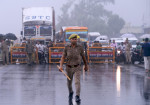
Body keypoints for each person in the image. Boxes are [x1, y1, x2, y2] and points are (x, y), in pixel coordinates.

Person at [59, 34, 88, 103]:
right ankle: (71, 92)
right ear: (70, 40)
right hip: (68, 67)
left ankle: (77, 96)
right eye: (73, 39)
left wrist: (86, 65)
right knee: (69, 83)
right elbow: (63, 57)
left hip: (77, 67)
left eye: (76, 39)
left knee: (77, 82)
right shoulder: (66, 47)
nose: (75, 40)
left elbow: (83, 57)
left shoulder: (80, 47)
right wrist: (61, 66)